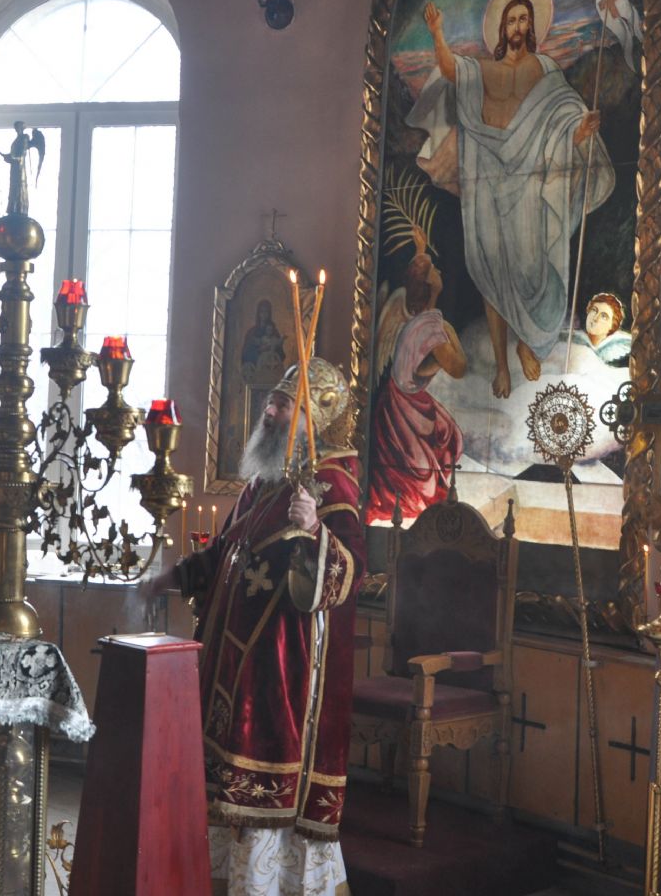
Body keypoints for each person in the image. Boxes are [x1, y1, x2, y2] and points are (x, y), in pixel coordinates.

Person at [156, 357, 365, 896]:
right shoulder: (262, 482)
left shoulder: (331, 485)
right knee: (223, 791)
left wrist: (315, 529)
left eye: (284, 405)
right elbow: (227, 551)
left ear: (313, 420)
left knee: (263, 796)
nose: (269, 411)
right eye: (271, 401)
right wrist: (174, 577)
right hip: (232, 662)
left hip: (283, 670)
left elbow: (351, 572)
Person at [409, 0, 615, 398]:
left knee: (531, 266)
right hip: (488, 177)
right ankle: (502, 367)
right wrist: (437, 33)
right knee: (492, 270)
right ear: (501, 29)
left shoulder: (545, 70)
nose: (518, 27)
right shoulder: (485, 69)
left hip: (529, 183)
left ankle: (528, 342)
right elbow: (450, 70)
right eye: (511, 20)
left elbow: (561, 120)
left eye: (524, 19)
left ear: (531, 26)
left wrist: (579, 131)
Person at [367, 250, 467, 521]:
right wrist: (450, 333)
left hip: (402, 396)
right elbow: (458, 368)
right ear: (429, 283)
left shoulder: (421, 320)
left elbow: (423, 364)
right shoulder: (429, 326)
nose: (439, 272)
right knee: (422, 474)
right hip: (404, 404)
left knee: (446, 433)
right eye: (433, 269)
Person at [573, 291, 631, 367]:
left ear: (613, 325)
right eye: (594, 310)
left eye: (603, 316)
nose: (595, 318)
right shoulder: (572, 336)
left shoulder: (619, 340)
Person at [239, 298, 286, 380]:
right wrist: (259, 350)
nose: (264, 315)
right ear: (258, 313)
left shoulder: (275, 332)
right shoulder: (252, 332)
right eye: (262, 312)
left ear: (269, 313)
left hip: (271, 369)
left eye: (266, 312)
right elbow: (246, 354)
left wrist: (274, 348)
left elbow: (281, 354)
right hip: (256, 371)